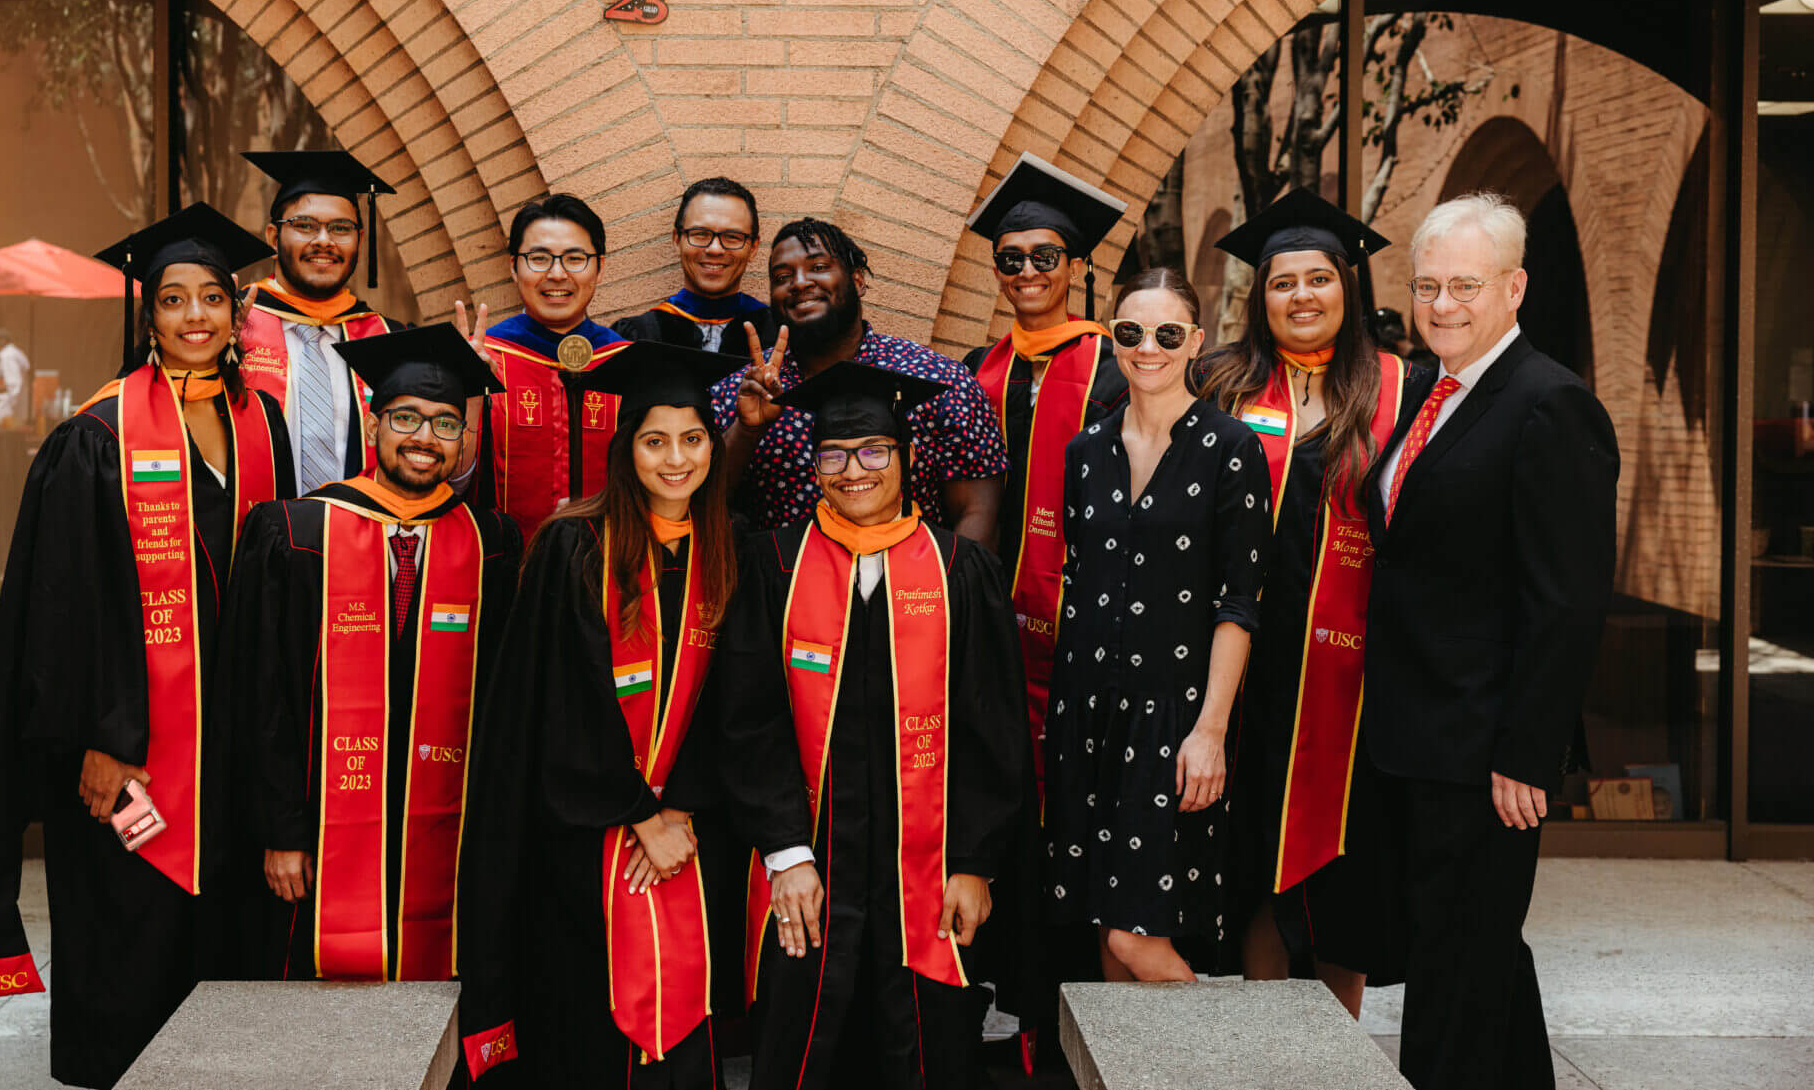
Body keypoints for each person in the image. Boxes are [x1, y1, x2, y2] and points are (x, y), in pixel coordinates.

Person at [0, 205, 293, 1088]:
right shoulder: (95, 439)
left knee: (224, 957)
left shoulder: (266, 426)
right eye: (174, 301)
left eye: (212, 299)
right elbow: (62, 611)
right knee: (131, 954)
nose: (194, 318)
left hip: (231, 751)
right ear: (150, 319)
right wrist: (102, 735)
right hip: (130, 749)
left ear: (236, 312)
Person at [715, 360, 1029, 1090]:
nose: (852, 470)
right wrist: (786, 853)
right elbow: (748, 719)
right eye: (833, 453)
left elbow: (996, 733)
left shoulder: (961, 570)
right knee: (800, 1045)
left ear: (907, 457)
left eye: (873, 451)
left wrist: (975, 862)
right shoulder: (775, 565)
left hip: (931, 872)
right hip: (807, 870)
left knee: (925, 1052)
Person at [1364, 193, 1617, 1090]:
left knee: (1453, 978)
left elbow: (1568, 600)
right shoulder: (1437, 390)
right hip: (1419, 737)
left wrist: (1526, 751)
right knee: (1478, 961)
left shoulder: (1549, 404)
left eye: (1464, 284)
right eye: (1427, 284)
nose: (1442, 304)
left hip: (1483, 751)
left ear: (1514, 286)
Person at [458, 341, 743, 1087]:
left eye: (691, 438)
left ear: (713, 445)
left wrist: (679, 809)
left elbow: (738, 706)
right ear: (626, 450)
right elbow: (550, 705)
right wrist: (635, 809)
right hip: (582, 843)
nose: (675, 458)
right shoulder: (571, 545)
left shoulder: (731, 552)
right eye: (654, 440)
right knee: (583, 1031)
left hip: (688, 836)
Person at [225, 324, 519, 984]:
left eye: (446, 424)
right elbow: (261, 698)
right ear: (375, 422)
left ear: (465, 442)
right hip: (317, 840)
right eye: (407, 417)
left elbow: (505, 709)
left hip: (448, 839)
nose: (424, 438)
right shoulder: (295, 532)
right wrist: (280, 829)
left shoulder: (492, 544)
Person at [1199, 190, 1412, 1017]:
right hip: (1246, 670)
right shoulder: (1220, 384)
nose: (1301, 296)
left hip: (1357, 677)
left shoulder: (1402, 388)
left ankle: (1339, 1054)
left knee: (1345, 872)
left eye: (1319, 278)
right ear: (1261, 297)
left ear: (1347, 288)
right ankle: (1265, 1043)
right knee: (1253, 858)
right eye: (1283, 282)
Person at [1045, 266, 1269, 984]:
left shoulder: (1233, 448)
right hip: (1085, 714)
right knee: (1108, 941)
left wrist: (1210, 730)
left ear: (1195, 340)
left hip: (1172, 720)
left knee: (1139, 937)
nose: (1148, 347)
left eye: (1167, 333)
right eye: (1131, 332)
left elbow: (1239, 603)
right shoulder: (1086, 452)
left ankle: (1221, 1060)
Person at [961, 152, 1131, 790]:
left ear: (1077, 265)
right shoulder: (980, 368)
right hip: (993, 600)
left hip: (1088, 605)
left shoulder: (1118, 370)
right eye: (1010, 260)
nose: (1026, 271)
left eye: (1045, 256)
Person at [712, 218, 1006, 543]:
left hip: (911, 588)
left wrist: (949, 590)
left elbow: (978, 513)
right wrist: (748, 429)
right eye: (782, 277)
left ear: (858, 279)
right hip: (782, 588)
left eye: (819, 266)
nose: (799, 282)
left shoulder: (937, 379)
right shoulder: (738, 390)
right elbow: (700, 508)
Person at [239, 150, 410, 495]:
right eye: (305, 226)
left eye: (341, 228)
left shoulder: (390, 340)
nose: (324, 240)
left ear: (360, 240)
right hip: (253, 539)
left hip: (362, 538)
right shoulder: (232, 328)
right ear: (273, 237)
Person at [478, 194, 628, 539]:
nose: (557, 274)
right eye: (539, 258)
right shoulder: (487, 359)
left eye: (575, 258)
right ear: (513, 267)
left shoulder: (626, 362)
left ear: (600, 267)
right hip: (502, 570)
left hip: (610, 569)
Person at [613, 178, 771, 355]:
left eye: (732, 236)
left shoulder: (776, 335)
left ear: (753, 248)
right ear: (676, 239)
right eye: (700, 234)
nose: (715, 249)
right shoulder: (635, 338)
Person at [0, 328, 31, 428]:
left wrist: (10, 407)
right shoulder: (14, 353)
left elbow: (14, 384)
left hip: (10, 408)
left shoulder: (8, 356)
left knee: (9, 437)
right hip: (15, 406)